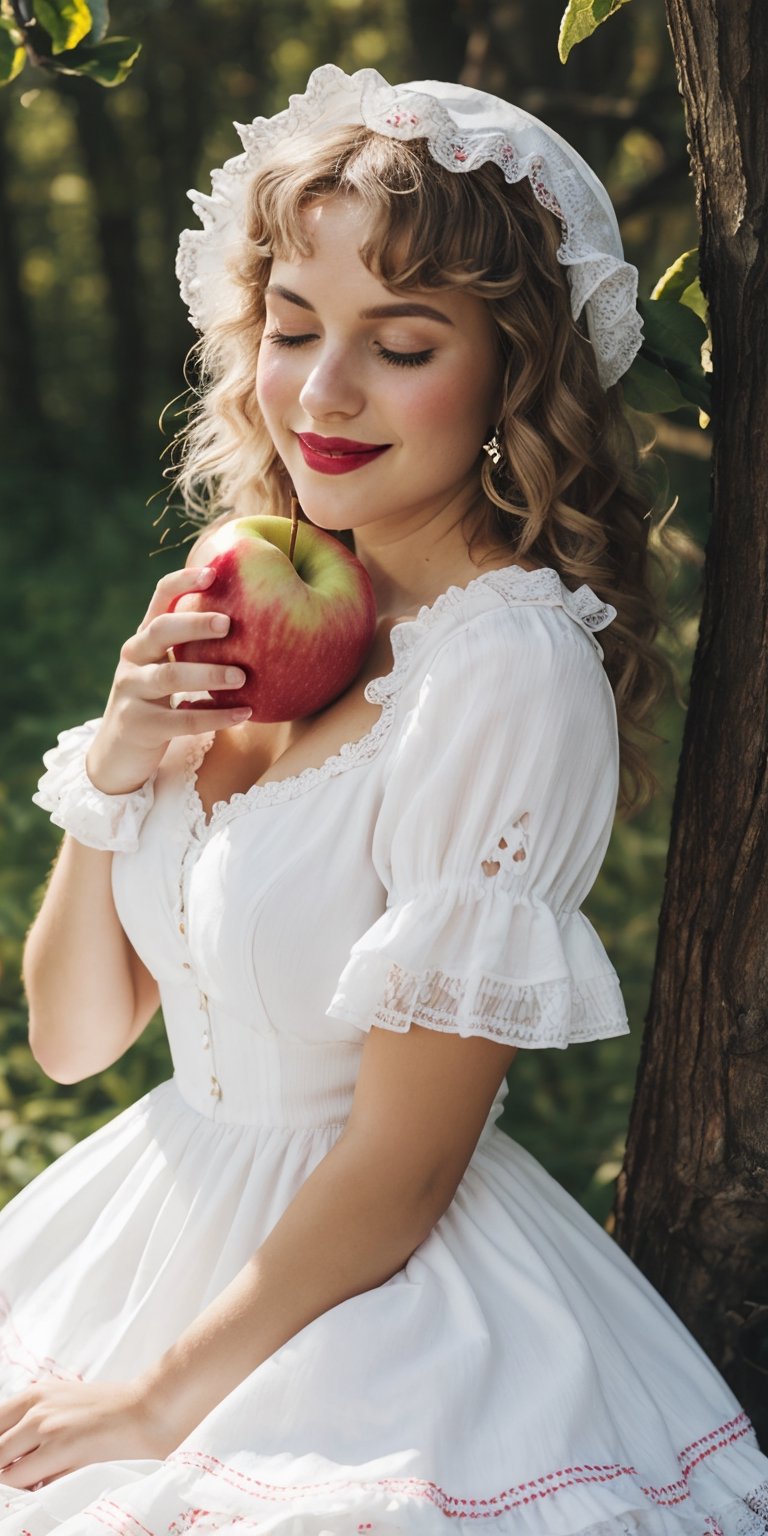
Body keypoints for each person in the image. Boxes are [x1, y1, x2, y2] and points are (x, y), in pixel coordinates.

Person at [2, 60, 766, 1536]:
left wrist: (159, 1400)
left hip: (362, 1303)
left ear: (512, 373)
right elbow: (76, 1036)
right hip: (147, 1219)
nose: (324, 393)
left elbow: (408, 1161)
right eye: (293, 328)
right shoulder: (256, 595)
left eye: (401, 344)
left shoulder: (506, 668)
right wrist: (116, 764)